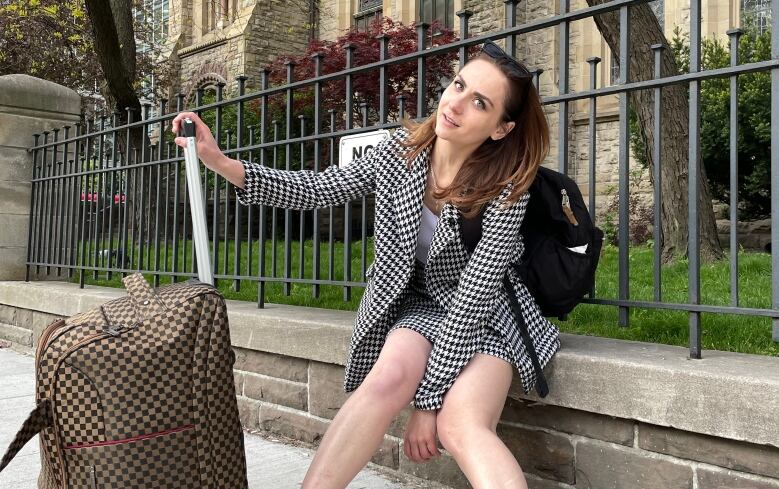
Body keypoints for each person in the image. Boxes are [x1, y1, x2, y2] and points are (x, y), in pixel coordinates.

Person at [172, 39, 560, 489]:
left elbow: (474, 297)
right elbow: (318, 189)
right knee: (384, 380)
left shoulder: (507, 188)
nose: (455, 103)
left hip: (489, 319)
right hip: (420, 307)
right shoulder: (401, 153)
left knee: (460, 426)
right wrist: (220, 162)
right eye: (458, 85)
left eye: (480, 102)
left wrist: (428, 403)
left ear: (500, 128)